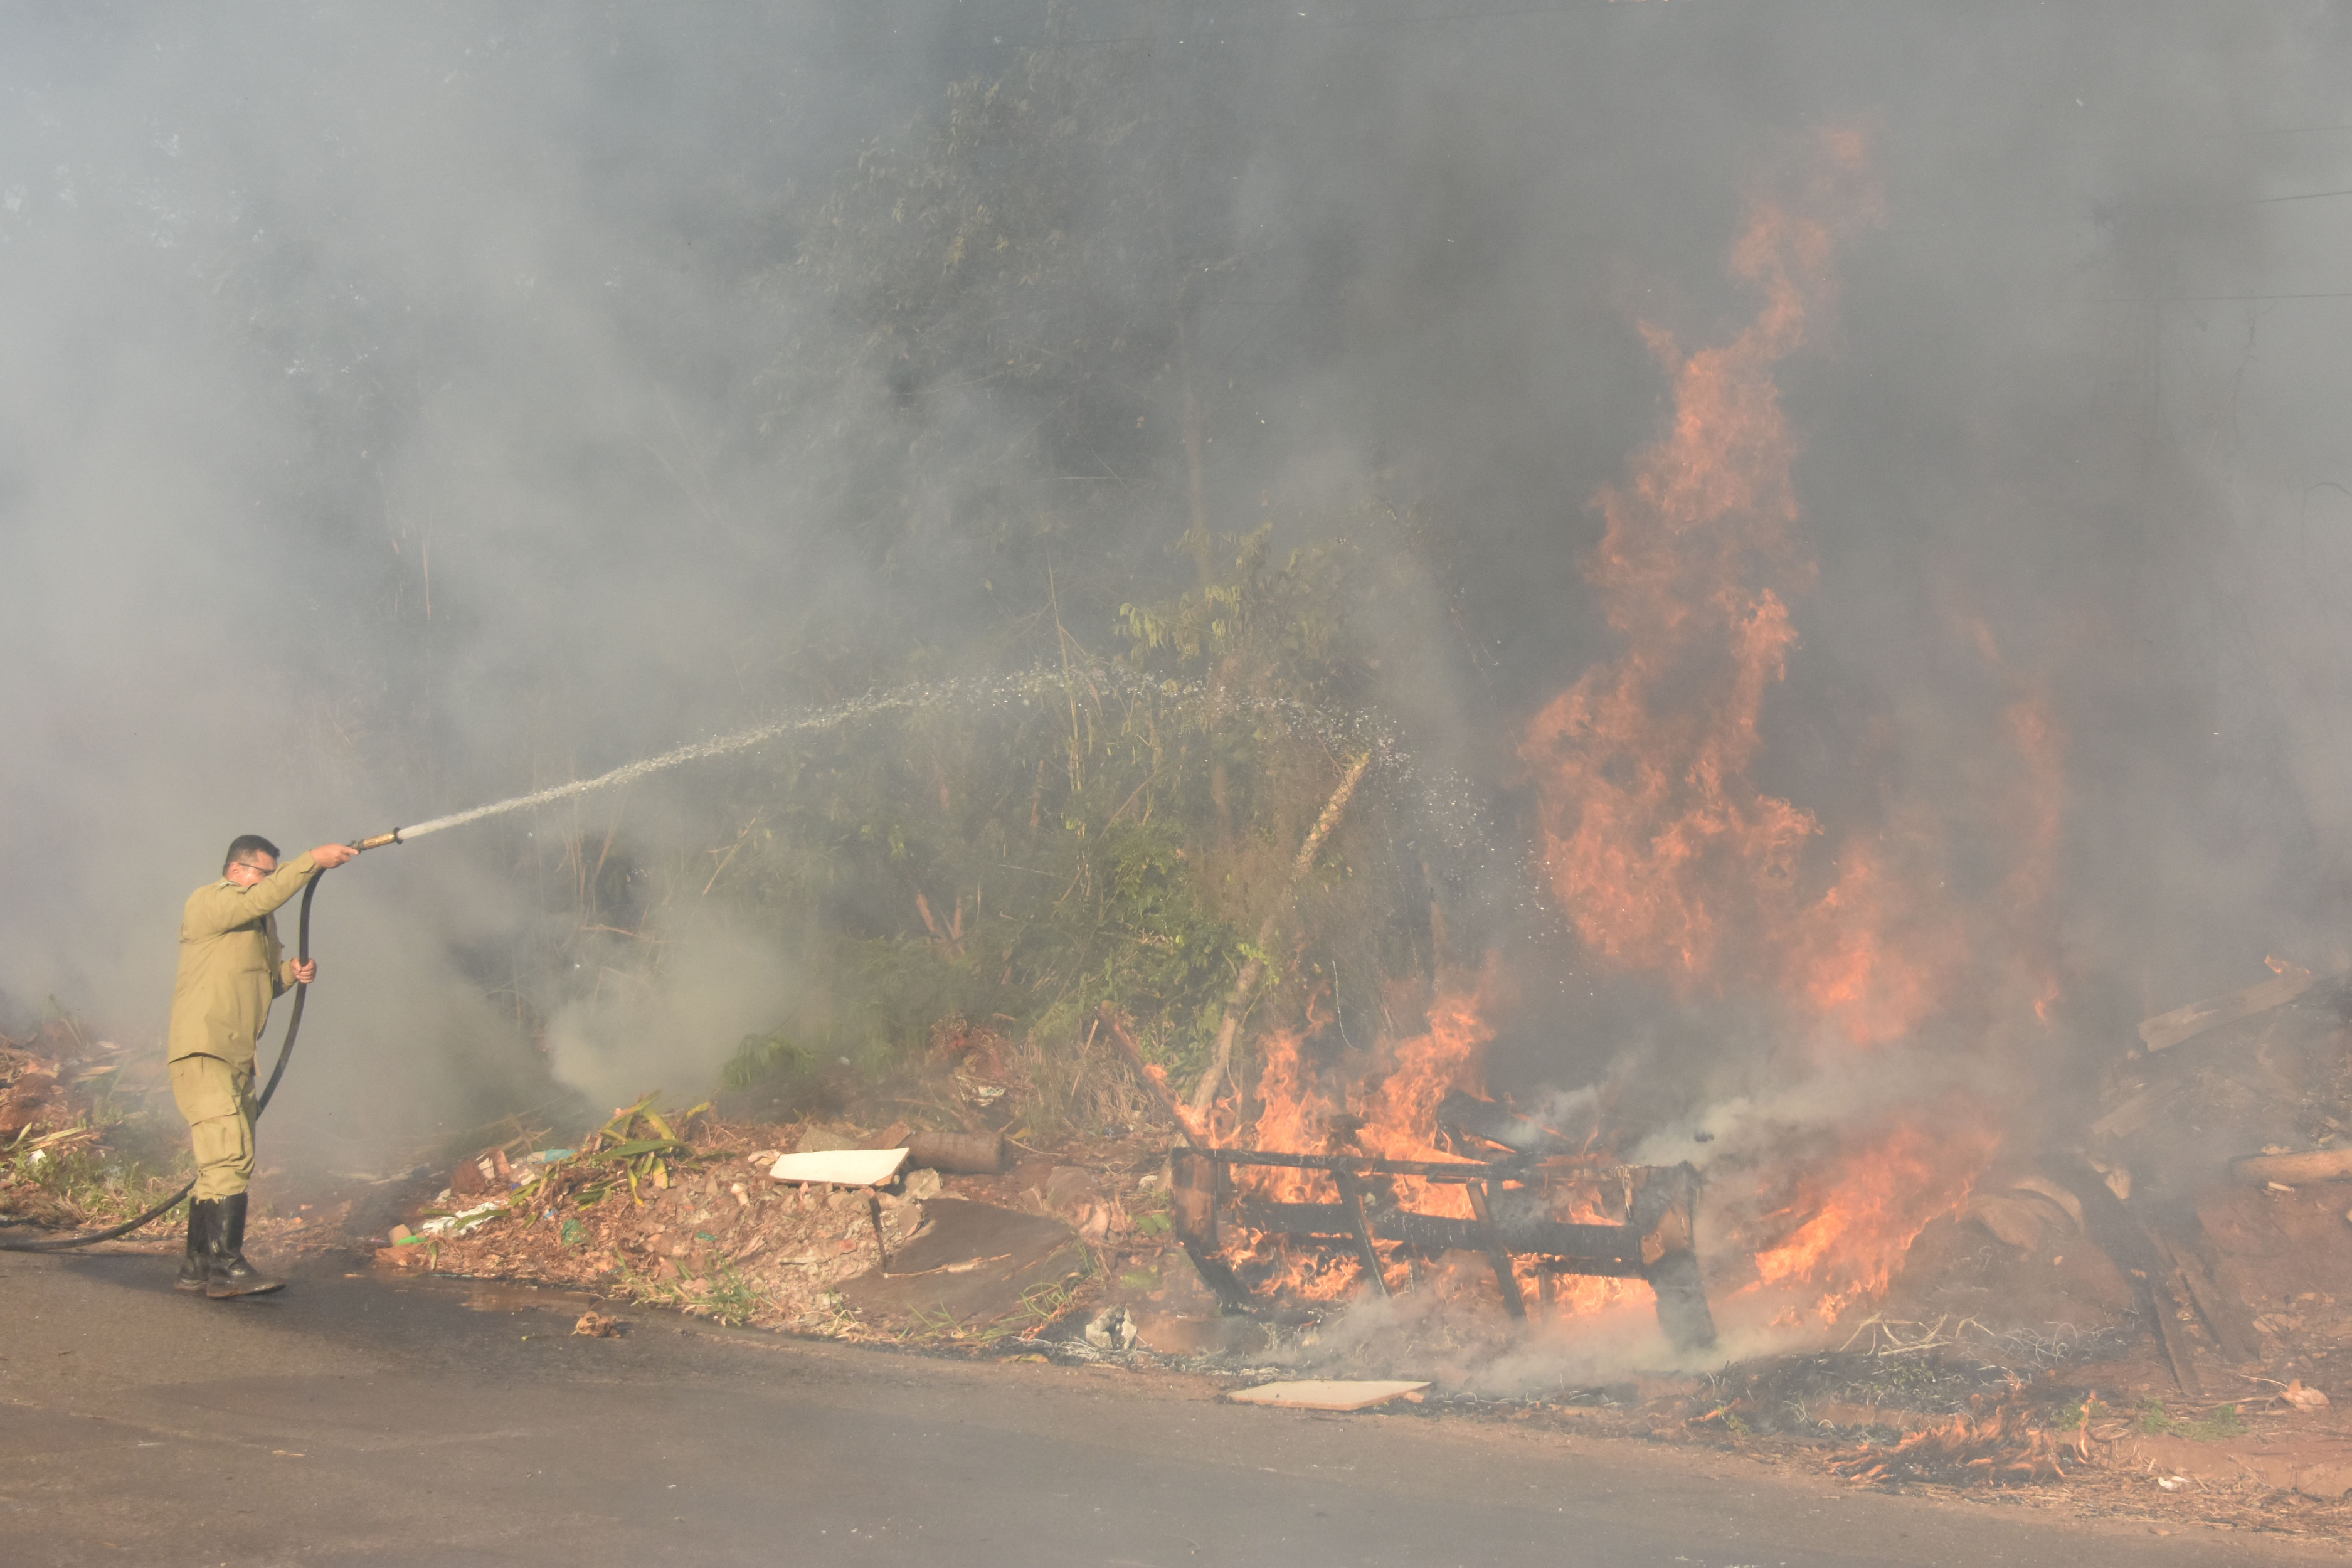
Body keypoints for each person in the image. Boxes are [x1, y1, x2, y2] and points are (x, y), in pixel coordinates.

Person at [167, 834, 358, 1298]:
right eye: (263, 873)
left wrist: (290, 973)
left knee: (220, 1163)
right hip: (205, 1052)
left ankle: (198, 1267)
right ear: (237, 872)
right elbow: (269, 896)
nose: (268, 884)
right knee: (231, 1157)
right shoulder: (210, 903)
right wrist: (311, 861)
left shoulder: (253, 929)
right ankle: (227, 1269)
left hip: (235, 1058)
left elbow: (260, 986)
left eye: (272, 875)